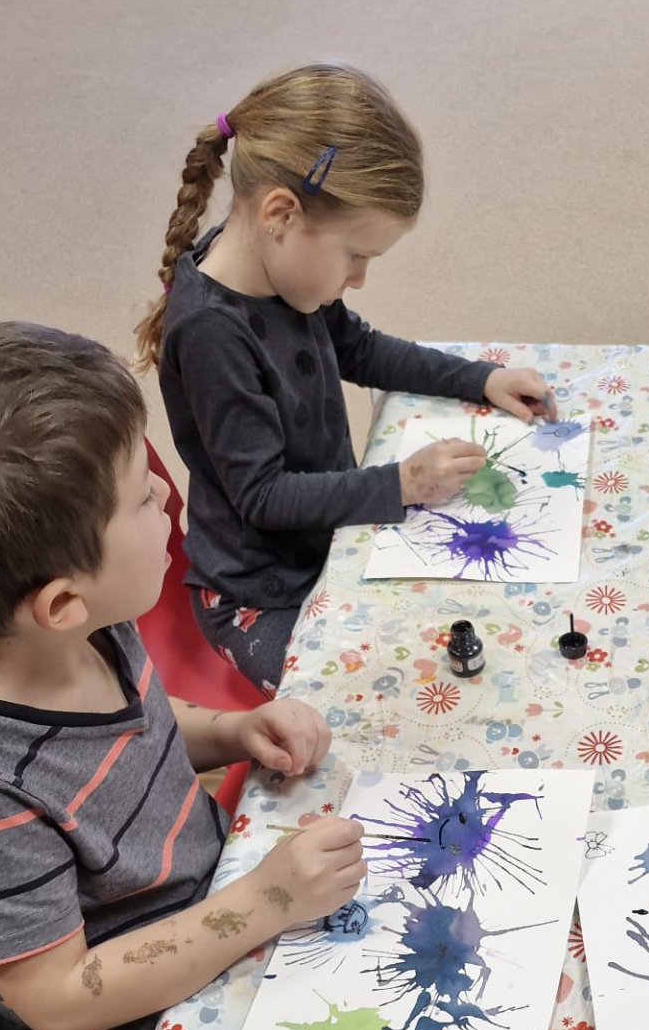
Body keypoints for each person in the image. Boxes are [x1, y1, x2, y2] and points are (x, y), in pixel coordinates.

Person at [0, 315, 365, 1030]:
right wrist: (267, 901)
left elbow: (133, 738)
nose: (167, 495)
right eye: (141, 496)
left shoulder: (85, 629)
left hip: (217, 906)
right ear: (60, 601)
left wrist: (229, 732)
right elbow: (61, 1000)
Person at [135, 62, 556, 696]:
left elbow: (360, 349)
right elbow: (263, 497)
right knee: (375, 698)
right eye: (356, 255)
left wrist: (480, 379)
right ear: (280, 214)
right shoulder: (210, 333)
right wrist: (402, 483)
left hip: (325, 539)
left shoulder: (277, 271)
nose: (358, 278)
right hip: (260, 595)